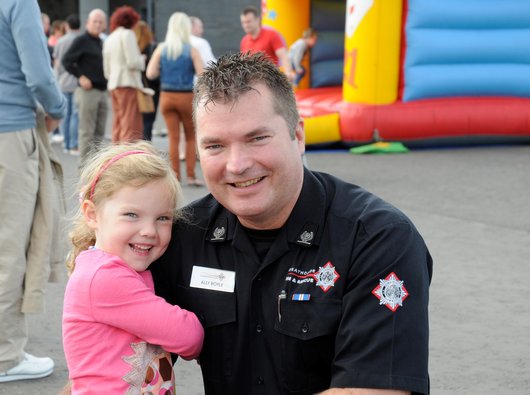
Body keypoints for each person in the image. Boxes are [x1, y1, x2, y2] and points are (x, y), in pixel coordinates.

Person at [151, 52, 432, 395]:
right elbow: (120, 363)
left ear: (298, 136)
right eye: (215, 146)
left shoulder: (377, 238)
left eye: (257, 138)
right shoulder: (182, 236)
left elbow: (373, 389)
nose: (236, 165)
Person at [63, 141, 204, 393]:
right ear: (92, 214)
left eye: (163, 218)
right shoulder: (105, 278)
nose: (149, 231)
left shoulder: (113, 269)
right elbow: (187, 337)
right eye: (131, 215)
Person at [0, 0, 66, 383]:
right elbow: (39, 73)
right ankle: (5, 357)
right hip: (9, 132)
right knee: (9, 245)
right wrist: (55, 107)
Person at [146, 12, 204, 186]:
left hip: (166, 96)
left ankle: (175, 176)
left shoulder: (161, 48)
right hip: (186, 96)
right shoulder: (191, 50)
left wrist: (164, 72)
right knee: (191, 136)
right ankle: (192, 176)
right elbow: (202, 74)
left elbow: (150, 73)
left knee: (173, 137)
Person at [62, 8, 108, 165]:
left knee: (100, 134)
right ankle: (83, 173)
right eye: (94, 21)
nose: (97, 24)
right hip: (88, 92)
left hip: (102, 91)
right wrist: (80, 76)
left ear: (105, 25)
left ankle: (96, 170)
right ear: (88, 23)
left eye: (100, 22)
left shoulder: (101, 41)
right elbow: (66, 61)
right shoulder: (81, 40)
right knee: (86, 134)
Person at [103, 6, 145, 143]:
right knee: (129, 122)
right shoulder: (128, 34)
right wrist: (142, 60)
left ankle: (115, 152)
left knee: (118, 121)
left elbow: (106, 67)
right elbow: (132, 62)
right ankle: (126, 155)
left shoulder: (110, 38)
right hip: (127, 82)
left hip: (113, 83)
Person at [239, 5, 294, 82]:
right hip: (252, 83)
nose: (246, 25)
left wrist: (288, 72)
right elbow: (243, 63)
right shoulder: (244, 41)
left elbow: (283, 56)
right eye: (243, 22)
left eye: (248, 21)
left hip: (270, 81)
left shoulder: (272, 34)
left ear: (257, 20)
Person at [53, 14, 81, 156]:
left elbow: (57, 64)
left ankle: (66, 143)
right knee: (75, 114)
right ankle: (73, 144)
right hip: (77, 82)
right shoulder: (80, 40)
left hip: (63, 81)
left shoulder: (60, 41)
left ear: (67, 26)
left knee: (66, 114)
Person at [134, 20, 160, 141]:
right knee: (149, 120)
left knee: (136, 120)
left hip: (136, 87)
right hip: (152, 88)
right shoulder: (153, 47)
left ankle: (137, 145)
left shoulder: (133, 48)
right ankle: (146, 145)